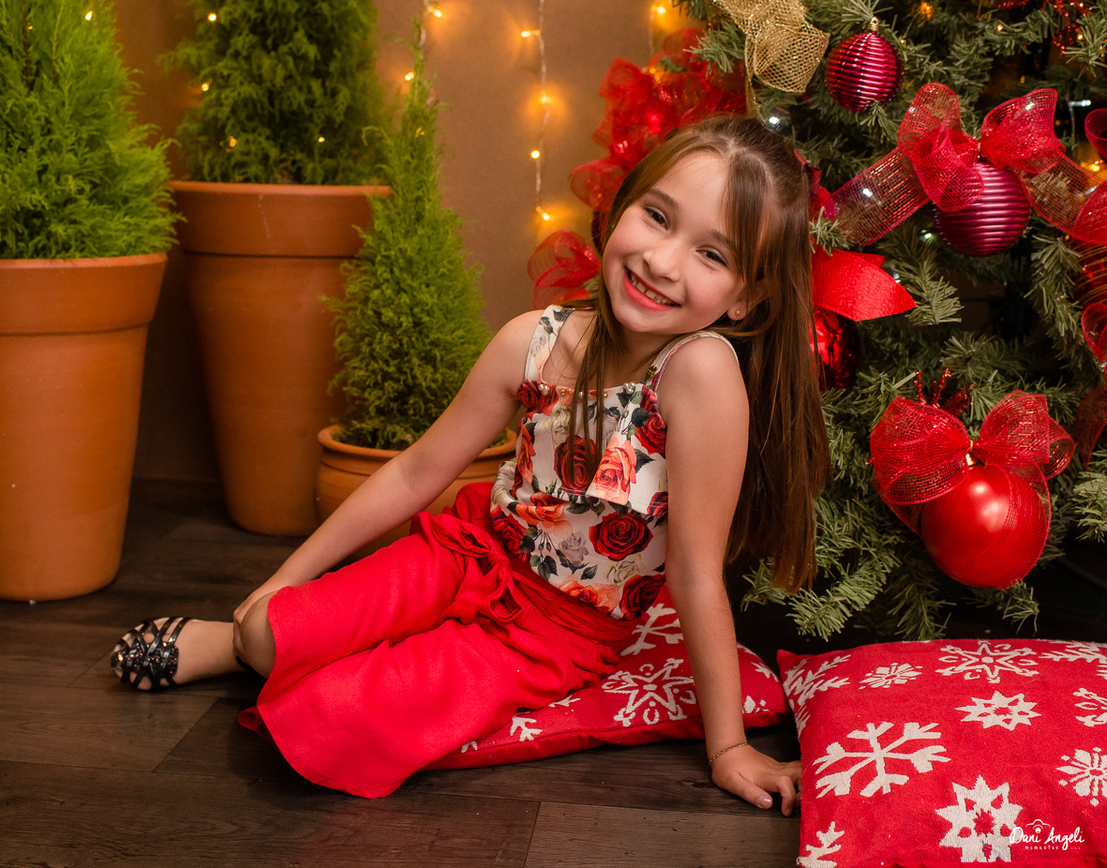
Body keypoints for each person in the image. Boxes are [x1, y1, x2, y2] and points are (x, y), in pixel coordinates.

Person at [110, 114, 829, 810]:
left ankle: (319, 662)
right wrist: (284, 580)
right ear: (619, 208)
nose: (661, 262)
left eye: (712, 255)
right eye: (658, 217)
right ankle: (236, 647)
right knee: (266, 632)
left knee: (330, 718)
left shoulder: (700, 372)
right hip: (467, 554)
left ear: (747, 296)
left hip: (557, 633)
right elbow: (415, 472)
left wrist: (727, 747)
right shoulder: (533, 339)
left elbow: (696, 573)